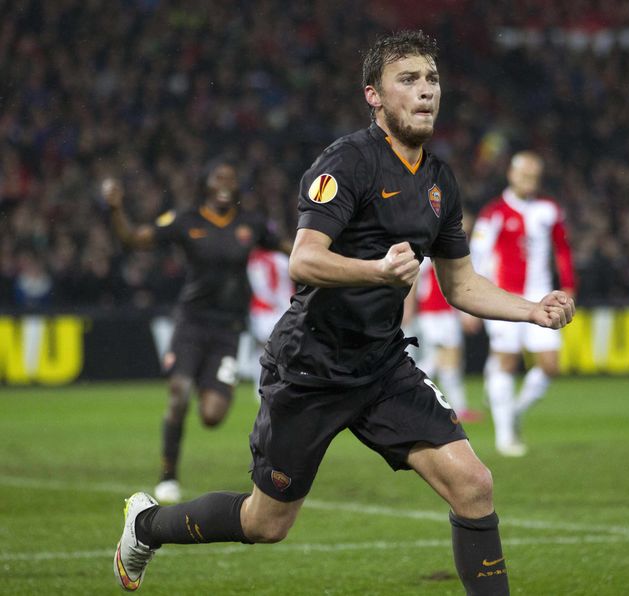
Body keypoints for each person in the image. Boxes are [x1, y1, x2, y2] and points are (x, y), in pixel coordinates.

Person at [113, 31, 574, 595]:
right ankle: (147, 525)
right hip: (311, 366)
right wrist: (377, 271)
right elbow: (304, 260)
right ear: (373, 95)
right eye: (408, 79)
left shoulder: (440, 181)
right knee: (266, 523)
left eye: (431, 79)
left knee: (474, 484)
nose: (425, 91)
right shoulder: (347, 163)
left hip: (381, 364)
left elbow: (460, 285)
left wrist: (532, 309)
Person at [102, 161, 286, 504]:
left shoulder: (252, 224)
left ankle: (207, 379)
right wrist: (116, 209)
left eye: (231, 179)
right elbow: (134, 239)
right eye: (219, 178)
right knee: (178, 392)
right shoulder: (186, 220)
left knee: (212, 416)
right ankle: (168, 474)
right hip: (191, 322)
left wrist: (328, 241)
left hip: (229, 329)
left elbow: (290, 246)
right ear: (206, 183)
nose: (225, 184)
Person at [469, 151, 576, 457]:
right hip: (504, 299)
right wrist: (474, 300)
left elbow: (563, 249)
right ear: (512, 175)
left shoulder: (549, 209)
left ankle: (514, 411)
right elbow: (476, 258)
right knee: (506, 361)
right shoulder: (494, 213)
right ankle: (505, 436)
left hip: (542, 297)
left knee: (550, 365)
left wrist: (568, 285)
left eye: (535, 176)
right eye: (525, 175)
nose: (531, 181)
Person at [403, 257, 483, 422]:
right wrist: (409, 307)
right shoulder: (427, 253)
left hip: (444, 311)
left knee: (449, 362)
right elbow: (415, 279)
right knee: (443, 358)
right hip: (434, 311)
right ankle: (406, 390)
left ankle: (458, 408)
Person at [245, 247, 294, 398]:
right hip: (283, 308)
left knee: (263, 349)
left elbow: (260, 287)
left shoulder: (255, 260)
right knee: (280, 350)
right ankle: (276, 384)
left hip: (264, 310)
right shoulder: (283, 258)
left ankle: (261, 386)